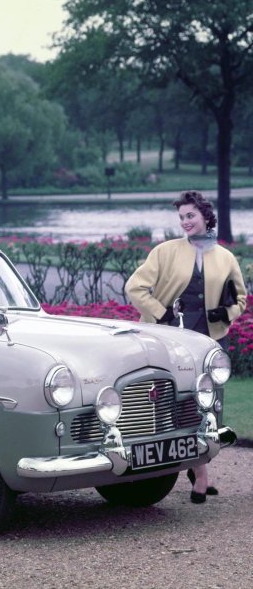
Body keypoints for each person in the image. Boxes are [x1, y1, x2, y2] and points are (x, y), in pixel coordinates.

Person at [126, 190, 247, 504]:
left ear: (205, 216)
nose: (185, 222)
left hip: (209, 341)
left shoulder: (225, 257)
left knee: (209, 405)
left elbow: (240, 298)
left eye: (190, 215)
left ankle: (199, 470)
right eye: (181, 217)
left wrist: (227, 312)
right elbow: (134, 287)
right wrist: (160, 312)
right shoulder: (165, 251)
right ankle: (192, 474)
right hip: (171, 337)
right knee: (174, 404)